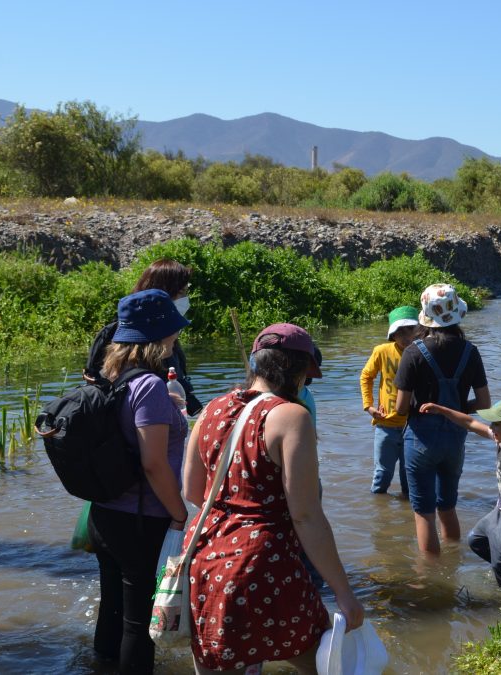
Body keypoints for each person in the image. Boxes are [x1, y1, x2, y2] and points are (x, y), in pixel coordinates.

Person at [183, 323, 364, 674]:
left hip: (205, 561)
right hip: (263, 565)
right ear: (298, 372)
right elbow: (305, 515)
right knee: (324, 664)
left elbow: (192, 492)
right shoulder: (291, 416)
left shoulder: (210, 410)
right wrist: (344, 592)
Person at [89, 289, 192, 673]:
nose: (176, 338)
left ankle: (99, 665)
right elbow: (153, 463)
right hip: (139, 518)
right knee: (138, 620)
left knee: (110, 605)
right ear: (158, 335)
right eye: (172, 332)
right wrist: (178, 512)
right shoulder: (148, 386)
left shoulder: (109, 376)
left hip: (104, 512)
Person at [395, 283, 491, 554]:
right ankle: (453, 562)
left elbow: (402, 408)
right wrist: (456, 408)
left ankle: (433, 580)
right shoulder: (470, 351)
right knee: (447, 506)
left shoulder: (413, 352)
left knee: (424, 512)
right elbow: (484, 404)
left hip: (420, 439)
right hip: (455, 438)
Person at [420, 397, 501, 592]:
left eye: (496, 423)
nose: (491, 427)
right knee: (476, 541)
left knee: (500, 566)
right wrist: (442, 409)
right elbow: (469, 422)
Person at [85, 258, 203, 416]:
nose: (186, 299)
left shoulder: (166, 334)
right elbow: (111, 391)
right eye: (181, 292)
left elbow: (182, 390)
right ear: (162, 293)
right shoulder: (123, 337)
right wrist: (153, 399)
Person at [360, 305, 418, 497]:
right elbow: (366, 376)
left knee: (408, 476)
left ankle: (407, 517)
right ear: (393, 334)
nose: (405, 336)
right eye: (400, 331)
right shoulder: (382, 351)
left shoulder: (422, 353)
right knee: (382, 474)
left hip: (413, 425)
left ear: (419, 331)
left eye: (410, 330)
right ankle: (378, 509)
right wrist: (369, 406)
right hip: (386, 422)